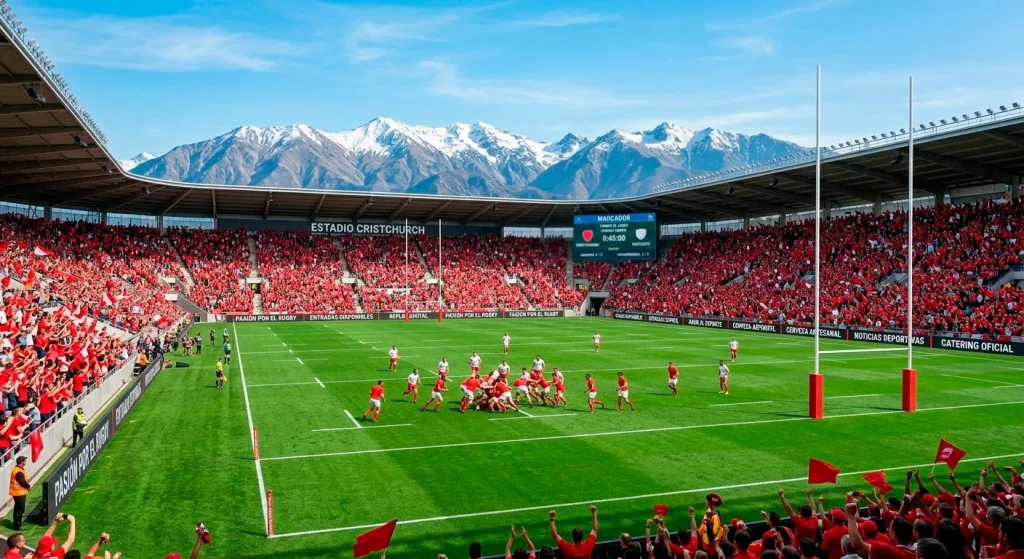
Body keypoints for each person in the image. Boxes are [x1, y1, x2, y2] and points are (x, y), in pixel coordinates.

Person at [9, 456, 30, 530]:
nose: (25, 462)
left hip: (17, 492)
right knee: (20, 509)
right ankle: (18, 526)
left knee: (18, 508)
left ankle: (17, 523)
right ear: (22, 462)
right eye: (25, 461)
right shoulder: (18, 471)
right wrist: (28, 486)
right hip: (18, 493)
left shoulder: (18, 469)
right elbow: (22, 481)